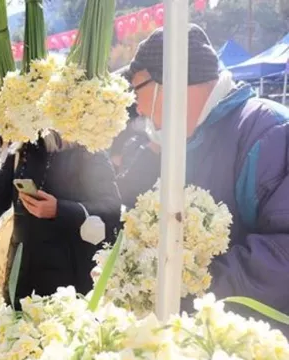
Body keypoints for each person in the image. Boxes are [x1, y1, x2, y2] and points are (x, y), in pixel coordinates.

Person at [122, 24, 289, 334]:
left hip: (261, 347)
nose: (139, 107)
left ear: (171, 79)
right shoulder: (190, 140)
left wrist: (188, 287)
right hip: (207, 338)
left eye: (137, 88)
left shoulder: (269, 131)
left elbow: (283, 255)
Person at [0, 133, 121, 309]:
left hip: (69, 279)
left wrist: (59, 210)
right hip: (21, 276)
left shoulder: (89, 150)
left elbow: (111, 209)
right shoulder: (22, 149)